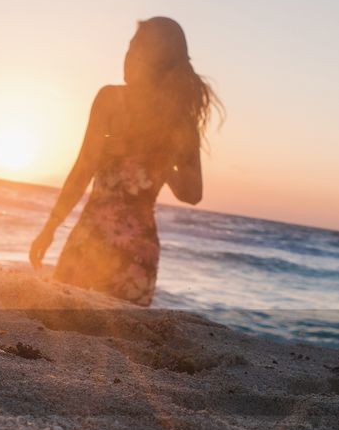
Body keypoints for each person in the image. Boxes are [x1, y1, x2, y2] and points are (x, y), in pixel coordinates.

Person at [29, 17, 221, 306]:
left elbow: (83, 169)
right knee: (116, 343)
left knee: (62, 331)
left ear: (148, 56)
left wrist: (50, 228)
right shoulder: (181, 121)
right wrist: (163, 162)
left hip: (92, 240)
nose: (127, 55)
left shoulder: (111, 99)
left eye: (133, 47)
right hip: (139, 255)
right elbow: (192, 194)